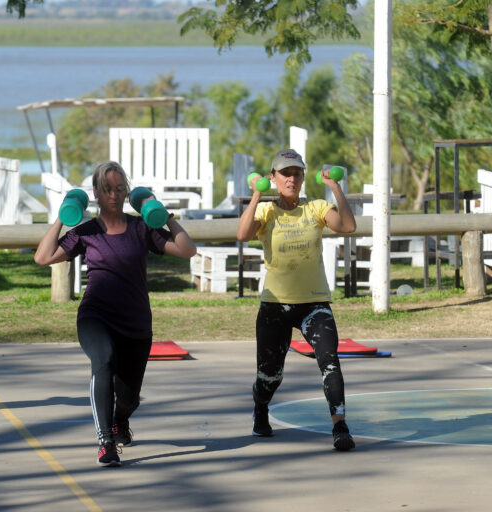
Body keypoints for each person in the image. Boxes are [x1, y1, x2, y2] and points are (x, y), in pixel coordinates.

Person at [34, 161, 196, 467]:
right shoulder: (86, 231)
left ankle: (121, 419)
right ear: (95, 192)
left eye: (119, 188)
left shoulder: (142, 228)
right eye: (107, 188)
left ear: (126, 192)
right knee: (104, 361)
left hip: (135, 323)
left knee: (130, 397)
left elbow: (187, 250)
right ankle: (105, 441)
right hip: (96, 316)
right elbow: (42, 257)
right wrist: (62, 217)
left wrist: (163, 214)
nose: (113, 194)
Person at [236, 149, 357, 451]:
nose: (291, 179)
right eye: (285, 173)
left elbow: (348, 226)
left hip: (314, 303)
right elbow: (241, 234)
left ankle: (340, 426)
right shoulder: (266, 212)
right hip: (275, 306)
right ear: (272, 178)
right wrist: (255, 196)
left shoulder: (315, 208)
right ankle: (261, 408)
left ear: (303, 178)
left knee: (329, 361)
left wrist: (335, 188)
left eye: (297, 173)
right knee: (270, 376)